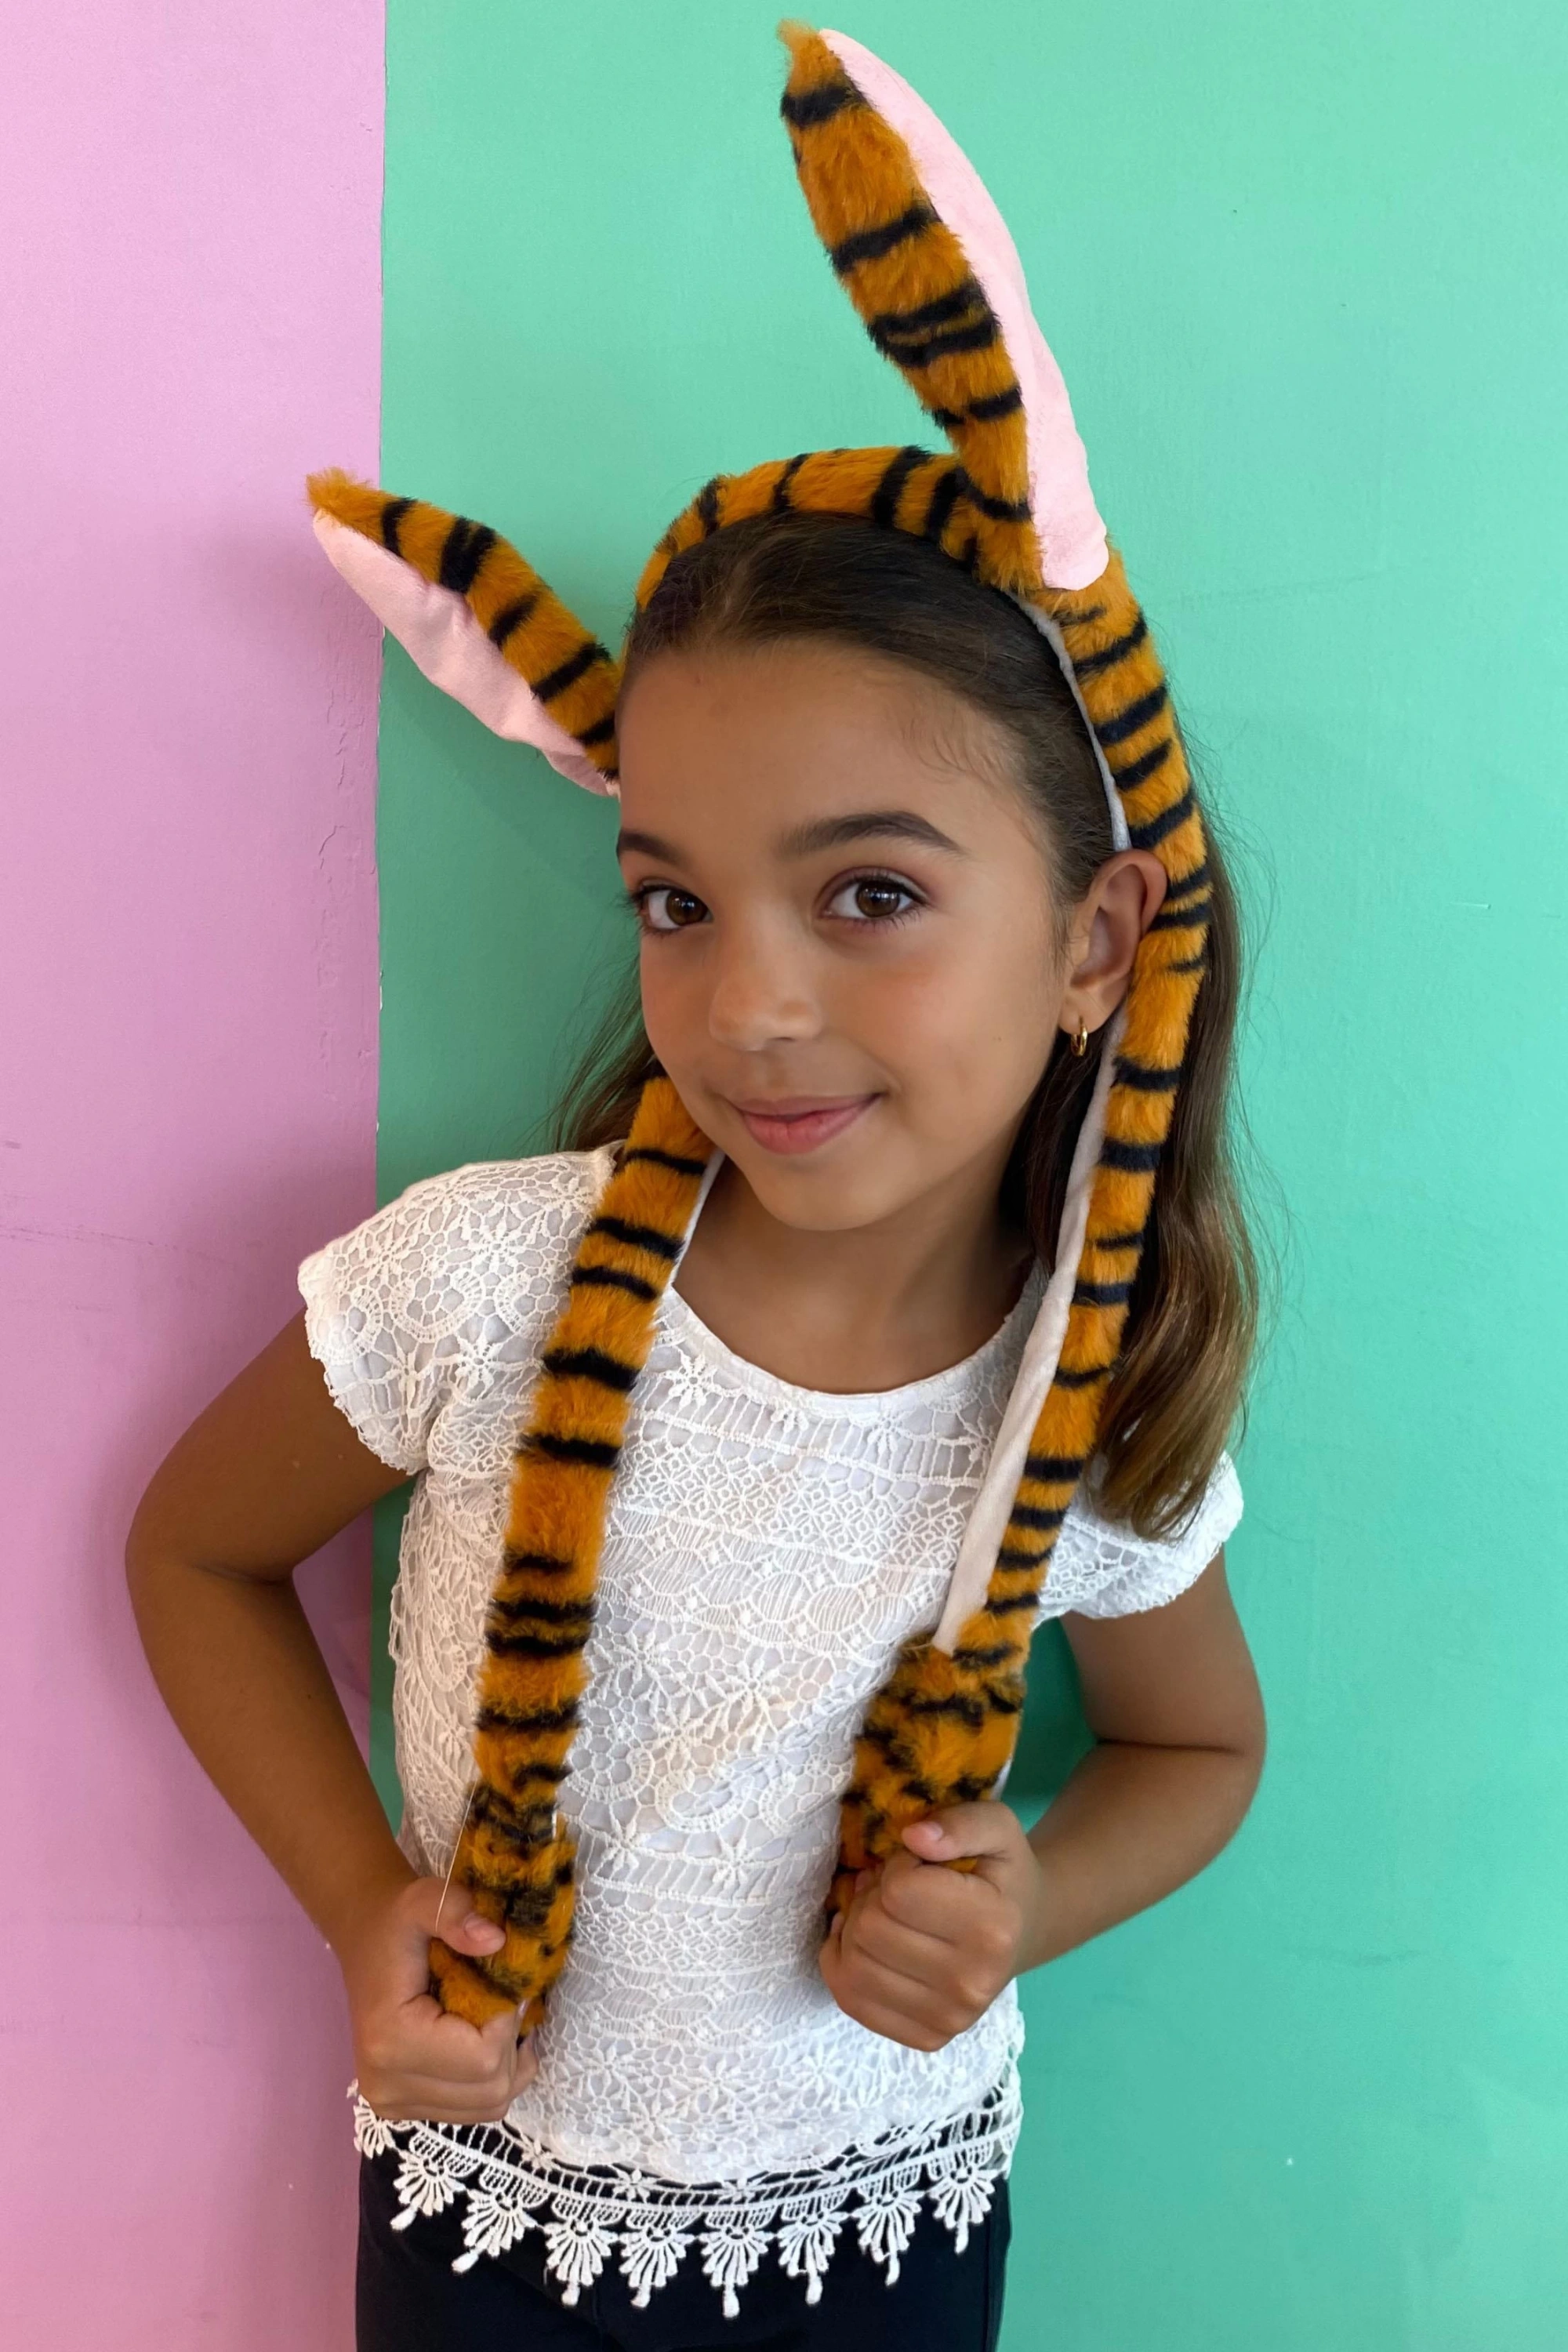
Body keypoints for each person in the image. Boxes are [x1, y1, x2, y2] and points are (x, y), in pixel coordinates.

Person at [127, 27, 1266, 2352]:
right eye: (674, 901)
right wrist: (358, 1906)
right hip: (496, 2213)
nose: (746, 1006)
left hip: (881, 2230)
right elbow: (198, 1553)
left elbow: (1197, 1747)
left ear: (1094, 948)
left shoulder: (1094, 1390)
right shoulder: (485, 1280)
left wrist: (1023, 1905)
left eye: (870, 895)